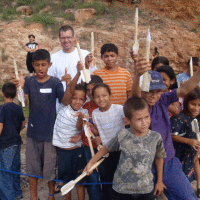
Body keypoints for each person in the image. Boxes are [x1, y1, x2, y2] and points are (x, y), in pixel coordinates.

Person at [132, 57, 200, 199]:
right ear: (143, 90)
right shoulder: (138, 105)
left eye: (158, 91)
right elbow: (135, 95)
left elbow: (185, 88)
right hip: (145, 166)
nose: (153, 95)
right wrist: (138, 74)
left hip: (168, 161)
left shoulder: (163, 99)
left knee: (188, 197)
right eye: (149, 90)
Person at [12, 49, 72, 200]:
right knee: (32, 168)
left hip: (51, 134)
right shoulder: (30, 82)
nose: (40, 68)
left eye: (43, 65)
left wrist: (69, 85)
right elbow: (23, 104)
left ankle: (51, 195)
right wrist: (19, 87)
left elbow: (65, 102)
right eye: (37, 65)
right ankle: (34, 196)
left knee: (50, 169)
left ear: (49, 65)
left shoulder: (55, 82)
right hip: (32, 134)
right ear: (32, 65)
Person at [84, 97, 166, 200]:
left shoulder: (156, 137)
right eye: (139, 119)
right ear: (127, 120)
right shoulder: (123, 135)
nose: (144, 122)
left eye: (146, 117)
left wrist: (159, 181)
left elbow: (159, 157)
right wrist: (91, 162)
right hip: (121, 190)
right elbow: (106, 148)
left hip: (145, 189)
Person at [53, 79, 88, 200]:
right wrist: (76, 75)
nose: (77, 102)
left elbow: (79, 128)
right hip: (63, 152)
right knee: (67, 182)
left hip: (78, 151)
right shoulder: (64, 106)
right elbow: (68, 92)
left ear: (85, 100)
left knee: (79, 182)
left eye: (81, 99)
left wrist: (80, 118)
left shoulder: (84, 112)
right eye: (74, 98)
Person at [91, 83, 125, 200]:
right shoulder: (95, 114)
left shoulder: (120, 109)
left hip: (122, 151)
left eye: (104, 95)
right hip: (107, 151)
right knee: (108, 179)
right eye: (97, 96)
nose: (101, 99)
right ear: (93, 98)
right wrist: (96, 136)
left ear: (110, 95)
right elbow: (100, 131)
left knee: (123, 178)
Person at [171, 86, 200, 198]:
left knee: (194, 165)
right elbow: (172, 136)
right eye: (193, 104)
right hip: (178, 157)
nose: (196, 108)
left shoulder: (198, 119)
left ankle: (198, 187)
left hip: (192, 156)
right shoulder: (179, 118)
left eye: (199, 105)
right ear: (186, 102)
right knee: (178, 182)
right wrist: (189, 141)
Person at [48, 25, 97, 91]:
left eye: (69, 37)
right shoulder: (53, 58)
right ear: (59, 39)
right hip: (61, 99)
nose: (66, 40)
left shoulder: (85, 55)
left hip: (82, 99)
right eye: (63, 38)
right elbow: (49, 81)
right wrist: (60, 80)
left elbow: (93, 77)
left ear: (74, 38)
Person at [0, 82, 25, 200]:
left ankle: (8, 197)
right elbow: (23, 125)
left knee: (5, 172)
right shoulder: (18, 108)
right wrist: (15, 130)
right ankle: (17, 193)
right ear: (15, 95)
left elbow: (0, 127)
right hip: (17, 142)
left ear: (2, 94)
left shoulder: (2, 108)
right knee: (15, 170)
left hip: (5, 145)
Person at [82, 75, 105, 200]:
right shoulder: (85, 106)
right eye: (88, 90)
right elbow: (83, 127)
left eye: (93, 89)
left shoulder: (105, 106)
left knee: (105, 174)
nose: (91, 93)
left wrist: (102, 137)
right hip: (88, 146)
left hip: (104, 147)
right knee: (92, 176)